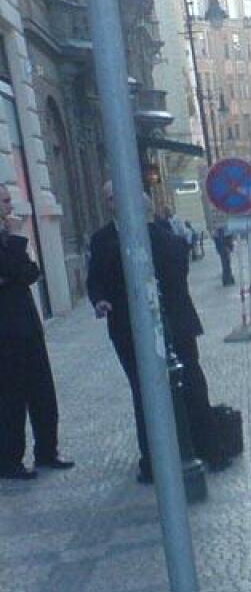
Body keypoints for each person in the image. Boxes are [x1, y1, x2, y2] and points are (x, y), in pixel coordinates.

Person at [87, 182, 219, 483]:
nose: (113, 203)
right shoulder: (102, 240)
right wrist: (100, 300)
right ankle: (154, 460)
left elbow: (176, 270)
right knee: (142, 390)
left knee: (191, 383)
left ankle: (208, 448)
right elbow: (95, 280)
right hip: (126, 329)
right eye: (108, 198)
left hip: (175, 322)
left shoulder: (164, 233)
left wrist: (146, 226)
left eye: (117, 196)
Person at [0, 186, 73, 479]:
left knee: (43, 392)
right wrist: (16, 243)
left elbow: (29, 273)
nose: (10, 205)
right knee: (11, 399)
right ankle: (9, 460)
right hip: (5, 335)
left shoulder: (10, 238)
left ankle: (47, 449)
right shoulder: (12, 238)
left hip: (29, 328)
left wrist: (11, 272)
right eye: (5, 201)